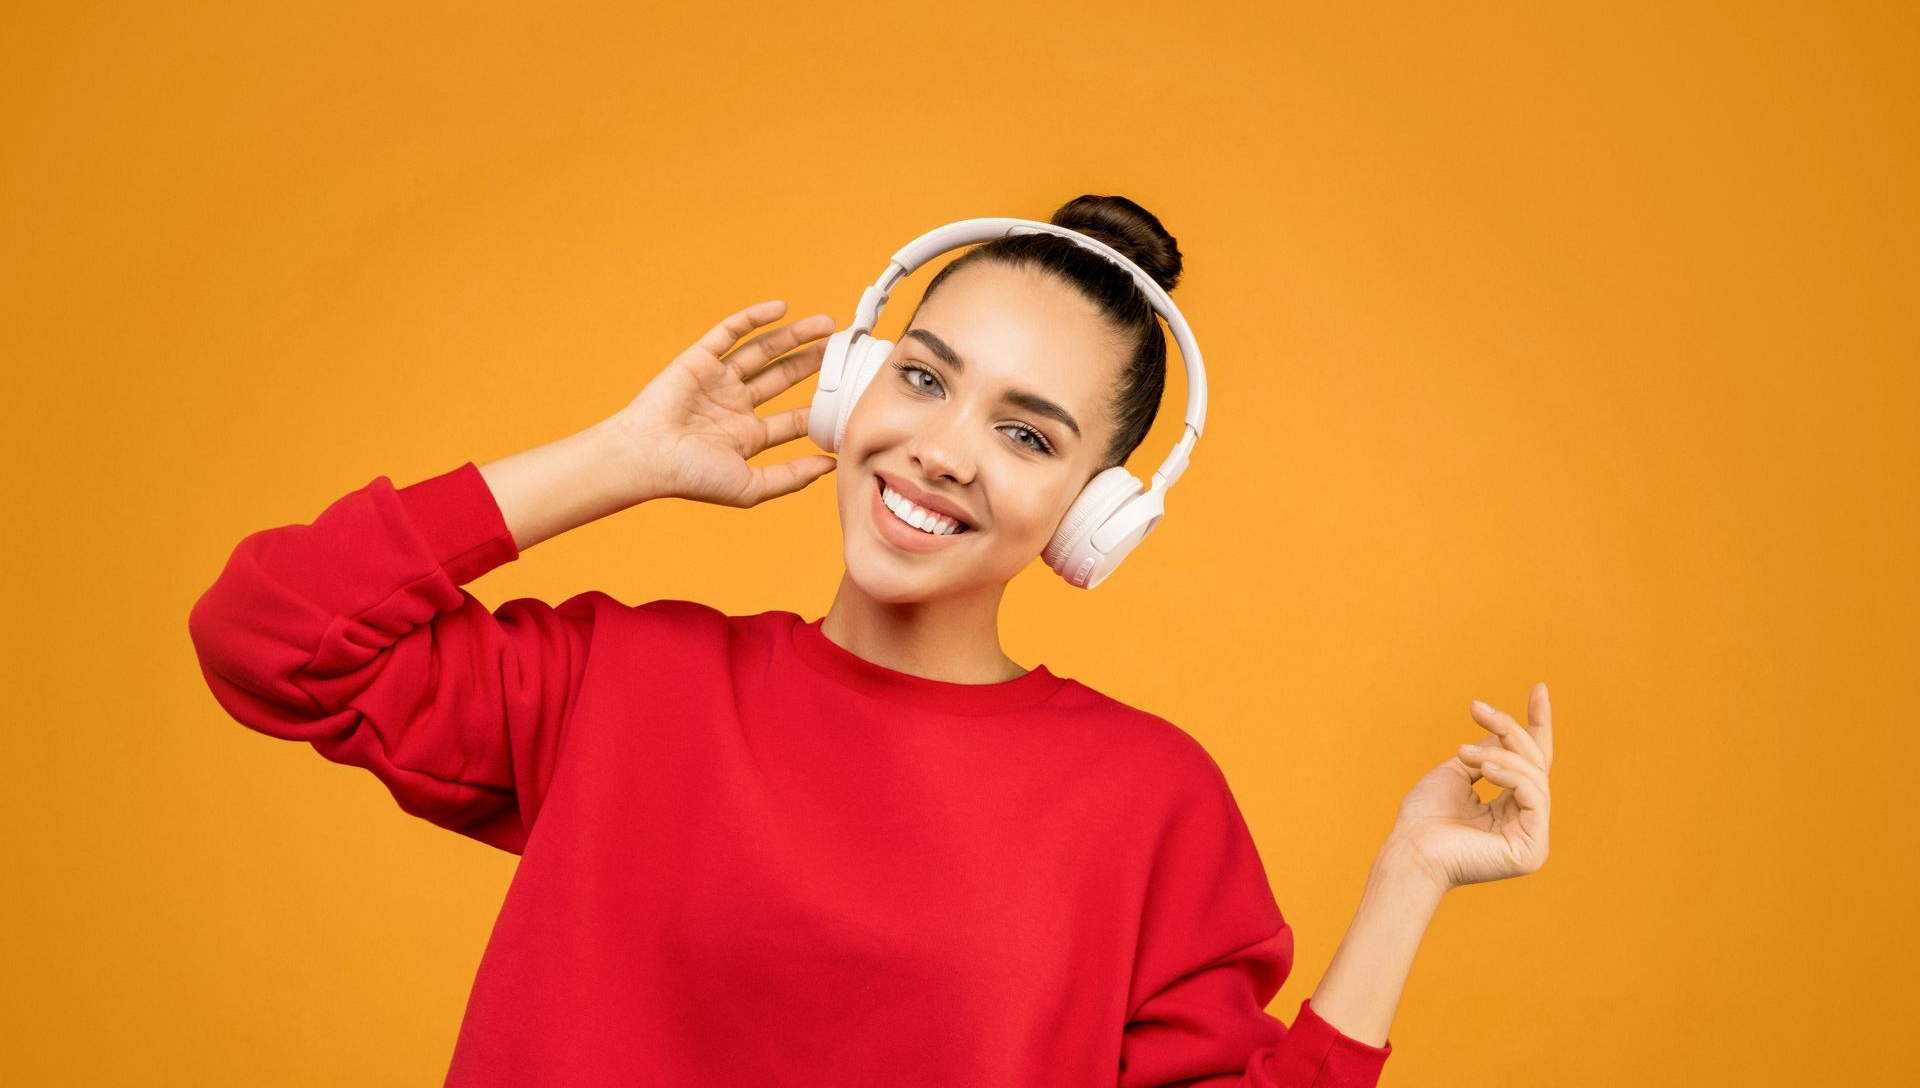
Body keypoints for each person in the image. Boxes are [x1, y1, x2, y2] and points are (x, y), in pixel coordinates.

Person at [188, 194, 1556, 1086]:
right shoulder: (625, 685)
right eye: (923, 376)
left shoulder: (1146, 802)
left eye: (1027, 433)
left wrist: (1410, 879)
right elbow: (272, 634)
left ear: (1100, 513)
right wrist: (618, 459)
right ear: (854, 390)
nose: (946, 452)